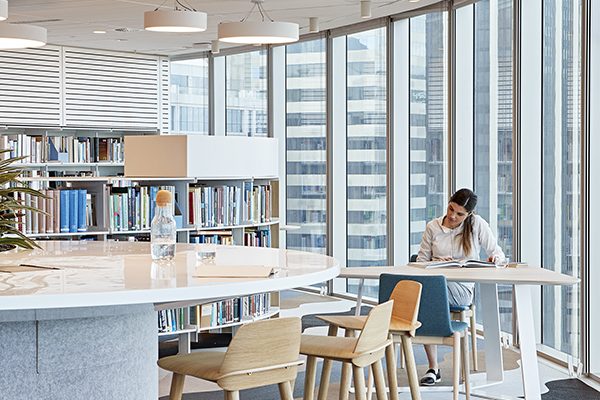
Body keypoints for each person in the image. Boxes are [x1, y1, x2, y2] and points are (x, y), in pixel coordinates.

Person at [416, 188, 505, 386]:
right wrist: (436, 261)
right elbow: (420, 262)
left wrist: (494, 258)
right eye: (451, 209)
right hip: (436, 285)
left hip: (462, 290)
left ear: (469, 214)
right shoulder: (433, 227)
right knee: (425, 294)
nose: (452, 216)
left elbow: (498, 252)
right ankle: (433, 367)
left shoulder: (476, 224)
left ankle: (435, 359)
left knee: (422, 296)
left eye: (459, 214)